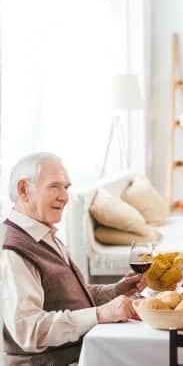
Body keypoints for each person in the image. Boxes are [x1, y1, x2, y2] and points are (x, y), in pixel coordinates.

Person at [1, 153, 144, 366]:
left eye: (66, 187)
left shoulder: (43, 235)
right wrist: (101, 314)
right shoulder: (13, 250)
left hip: (81, 354)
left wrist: (116, 290)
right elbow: (30, 330)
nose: (64, 196)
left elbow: (70, 297)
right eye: (54, 186)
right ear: (24, 190)